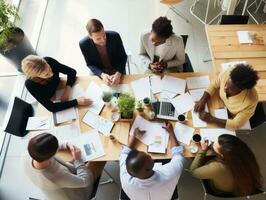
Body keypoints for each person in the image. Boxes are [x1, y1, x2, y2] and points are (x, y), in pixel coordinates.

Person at [22, 132, 102, 200]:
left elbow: (44, 146)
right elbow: (85, 181)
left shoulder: (27, 154)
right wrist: (78, 160)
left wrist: (67, 144)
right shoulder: (54, 176)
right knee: (100, 159)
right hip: (76, 195)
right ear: (51, 155)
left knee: (73, 158)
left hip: (61, 186)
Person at [119, 122, 185, 200]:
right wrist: (171, 132)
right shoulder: (169, 174)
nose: (149, 155)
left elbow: (123, 153)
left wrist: (134, 137)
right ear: (148, 169)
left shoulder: (125, 179)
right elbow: (178, 154)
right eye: (148, 157)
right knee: (166, 159)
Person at [190, 134, 262, 197]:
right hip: (241, 188)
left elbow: (193, 172)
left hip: (220, 191)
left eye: (215, 144)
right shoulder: (245, 154)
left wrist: (203, 150)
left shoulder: (217, 168)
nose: (213, 142)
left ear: (222, 155)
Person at [194, 64, 259, 130]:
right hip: (220, 105)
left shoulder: (251, 101)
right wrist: (203, 99)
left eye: (230, 89)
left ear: (241, 90)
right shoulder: (228, 73)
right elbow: (214, 84)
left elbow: (236, 124)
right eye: (226, 83)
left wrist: (211, 119)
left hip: (232, 117)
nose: (224, 88)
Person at [22, 55, 92, 113]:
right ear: (35, 76)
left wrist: (67, 89)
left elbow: (71, 72)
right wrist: (76, 102)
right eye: (46, 74)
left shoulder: (49, 61)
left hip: (61, 85)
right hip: (53, 99)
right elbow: (51, 108)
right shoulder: (30, 85)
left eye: (49, 68)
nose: (51, 74)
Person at [79, 18, 127, 85]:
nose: (103, 40)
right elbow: (90, 64)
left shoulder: (115, 36)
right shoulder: (84, 44)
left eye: (104, 35)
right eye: (98, 39)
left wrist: (118, 73)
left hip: (117, 68)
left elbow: (123, 57)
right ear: (90, 36)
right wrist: (102, 75)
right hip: (99, 70)